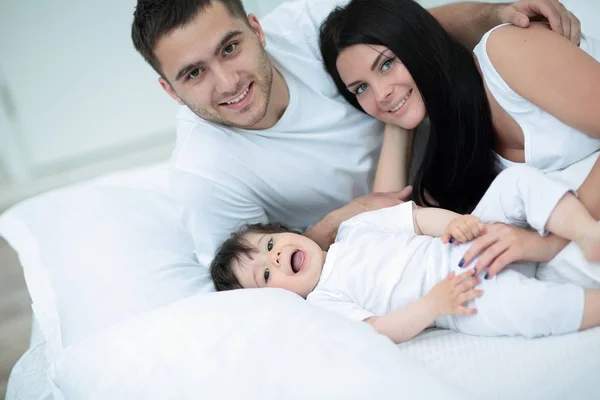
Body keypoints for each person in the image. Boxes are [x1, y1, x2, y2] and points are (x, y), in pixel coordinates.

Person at [131, 0, 581, 271]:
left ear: (256, 29)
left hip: (466, 136)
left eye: (230, 48)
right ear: (169, 90)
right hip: (439, 195)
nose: (228, 83)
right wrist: (339, 221)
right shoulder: (204, 177)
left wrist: (496, 11)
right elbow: (256, 281)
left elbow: (412, 30)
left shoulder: (311, 22)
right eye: (194, 73)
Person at [319, 0, 600, 278]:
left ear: (419, 42)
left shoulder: (505, 50)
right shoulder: (457, 155)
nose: (380, 93)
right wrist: (396, 122)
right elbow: (386, 234)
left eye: (387, 64)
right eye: (361, 88)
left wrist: (550, 241)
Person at [209, 164, 600, 342]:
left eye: (270, 244)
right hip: (460, 299)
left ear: (287, 233)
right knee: (530, 311)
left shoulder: (354, 228)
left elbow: (416, 220)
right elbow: (379, 331)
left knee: (513, 182)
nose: (274, 258)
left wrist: (451, 224)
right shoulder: (325, 303)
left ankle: (585, 232)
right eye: (264, 275)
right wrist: (432, 306)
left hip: (470, 242)